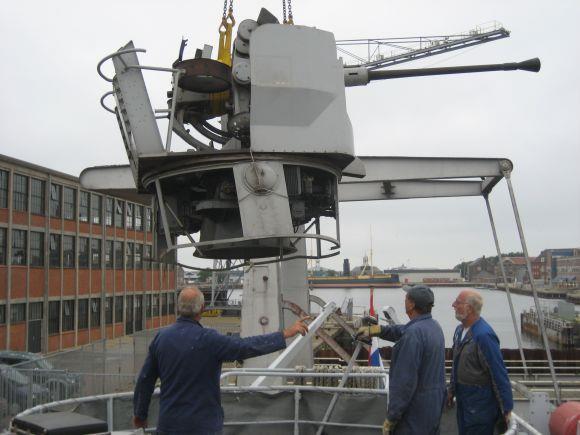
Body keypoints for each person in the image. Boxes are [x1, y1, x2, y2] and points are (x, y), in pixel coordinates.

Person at [132, 286, 309, 435]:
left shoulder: (161, 338)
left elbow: (145, 379)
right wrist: (285, 333)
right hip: (204, 426)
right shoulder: (210, 340)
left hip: (169, 425)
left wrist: (140, 415)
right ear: (202, 308)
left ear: (178, 308)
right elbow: (246, 346)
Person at [357, 285, 446, 435]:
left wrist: (392, 417)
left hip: (413, 414)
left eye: (406, 298)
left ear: (411, 304)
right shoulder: (433, 327)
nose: (404, 301)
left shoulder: (413, 335)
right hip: (432, 409)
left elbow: (404, 382)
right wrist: (378, 330)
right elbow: (403, 330)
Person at [448, 290, 513, 435]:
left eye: (458, 303)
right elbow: (456, 364)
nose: (453, 305)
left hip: (480, 407)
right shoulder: (460, 331)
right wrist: (451, 390)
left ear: (469, 308)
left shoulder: (484, 336)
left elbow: (498, 373)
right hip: (464, 402)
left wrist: (506, 409)